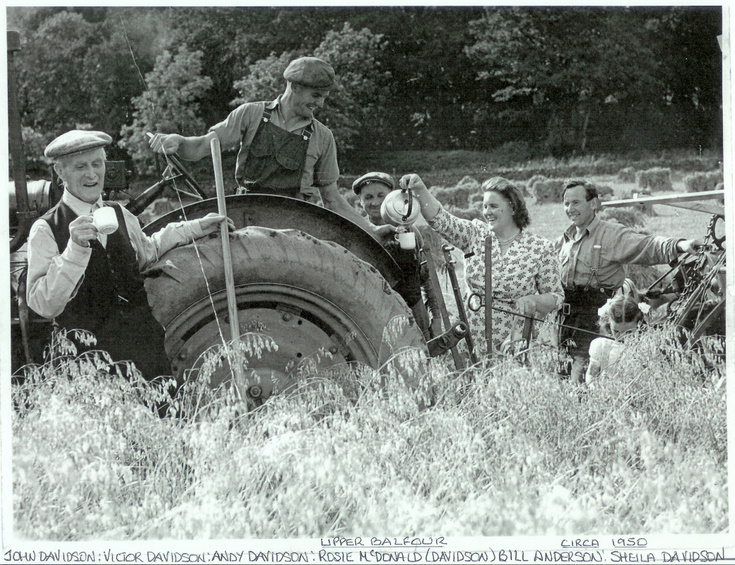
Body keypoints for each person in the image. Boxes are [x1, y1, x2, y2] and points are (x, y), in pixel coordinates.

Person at [26, 130, 230, 381]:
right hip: (88, 365)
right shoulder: (45, 228)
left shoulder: (119, 213)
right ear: (60, 172)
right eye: (80, 166)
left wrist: (198, 227)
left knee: (163, 419)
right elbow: (43, 304)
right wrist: (75, 249)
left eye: (97, 164)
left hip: (145, 354)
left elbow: (148, 250)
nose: (92, 174)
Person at [147, 56, 370, 230]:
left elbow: (332, 200)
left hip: (298, 227)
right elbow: (201, 147)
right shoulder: (251, 114)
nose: (320, 103)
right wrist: (178, 140)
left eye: (324, 97)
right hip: (246, 219)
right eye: (316, 95)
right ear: (295, 86)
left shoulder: (323, 136)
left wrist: (371, 229)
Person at [399, 173, 563, 356]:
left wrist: (534, 300)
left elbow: (556, 296)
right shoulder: (475, 234)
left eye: (493, 206)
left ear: (513, 207)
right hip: (470, 338)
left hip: (514, 342)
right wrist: (420, 189)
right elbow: (440, 219)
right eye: (485, 206)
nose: (487, 212)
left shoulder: (540, 248)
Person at [556, 178, 702, 383]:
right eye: (566, 203)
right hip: (564, 321)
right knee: (562, 376)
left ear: (594, 203)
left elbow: (647, 245)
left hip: (595, 320)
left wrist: (680, 245)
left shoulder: (611, 235)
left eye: (576, 202)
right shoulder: (565, 239)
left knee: (582, 381)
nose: (569, 208)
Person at [352, 172, 441, 341]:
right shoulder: (357, 233)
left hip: (413, 309)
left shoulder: (409, 230)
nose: (375, 202)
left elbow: (426, 278)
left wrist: (436, 317)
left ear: (391, 197)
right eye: (368, 197)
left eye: (381, 195)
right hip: (372, 312)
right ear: (360, 201)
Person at [585, 292, 645, 383]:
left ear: (639, 325)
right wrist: (593, 386)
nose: (622, 336)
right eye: (616, 331)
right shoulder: (601, 346)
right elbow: (591, 375)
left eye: (628, 332)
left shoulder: (643, 349)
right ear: (608, 324)